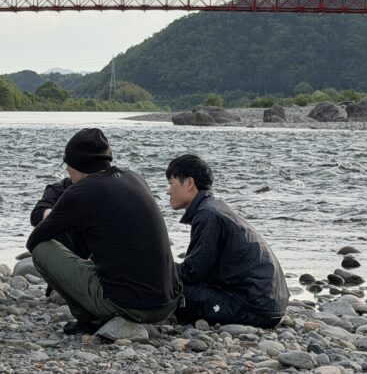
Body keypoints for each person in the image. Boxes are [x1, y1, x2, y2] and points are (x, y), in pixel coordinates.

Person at [26, 128, 179, 335]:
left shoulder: (81, 190)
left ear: (75, 164)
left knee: (41, 250)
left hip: (129, 307)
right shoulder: (135, 178)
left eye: (66, 164)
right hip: (167, 303)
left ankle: (89, 318)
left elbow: (34, 240)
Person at [166, 154, 289, 328]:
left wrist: (160, 267)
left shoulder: (207, 215)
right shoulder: (214, 207)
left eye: (171, 183)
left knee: (167, 286)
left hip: (255, 310)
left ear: (189, 183)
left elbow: (192, 273)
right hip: (266, 305)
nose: (168, 190)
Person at [30, 177, 90, 260]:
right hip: (70, 253)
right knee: (51, 223)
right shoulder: (58, 189)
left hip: (98, 255)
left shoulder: (103, 188)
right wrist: (55, 215)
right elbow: (37, 214)